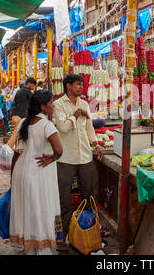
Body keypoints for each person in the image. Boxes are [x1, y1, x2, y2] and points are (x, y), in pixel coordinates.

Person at [9, 90, 64, 255]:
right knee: (41, 210)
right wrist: (52, 158)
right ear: (43, 106)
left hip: (21, 172)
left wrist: (13, 177)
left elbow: (16, 153)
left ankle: (31, 247)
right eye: (51, 102)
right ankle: (42, 248)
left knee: (28, 210)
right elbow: (59, 150)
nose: (53, 105)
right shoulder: (47, 125)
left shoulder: (23, 123)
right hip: (39, 174)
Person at [53, 74, 103, 241]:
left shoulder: (84, 104)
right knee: (64, 199)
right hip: (66, 157)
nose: (81, 87)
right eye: (78, 84)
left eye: (82, 85)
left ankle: (87, 231)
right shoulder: (58, 105)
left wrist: (96, 144)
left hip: (85, 156)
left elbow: (89, 128)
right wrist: (75, 114)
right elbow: (64, 128)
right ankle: (64, 235)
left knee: (88, 196)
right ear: (68, 86)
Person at [8, 78, 36, 148]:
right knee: (15, 134)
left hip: (15, 115)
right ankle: (8, 149)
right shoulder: (27, 91)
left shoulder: (20, 90)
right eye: (32, 86)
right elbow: (35, 101)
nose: (32, 88)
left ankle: (17, 150)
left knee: (18, 134)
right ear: (29, 83)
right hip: (19, 116)